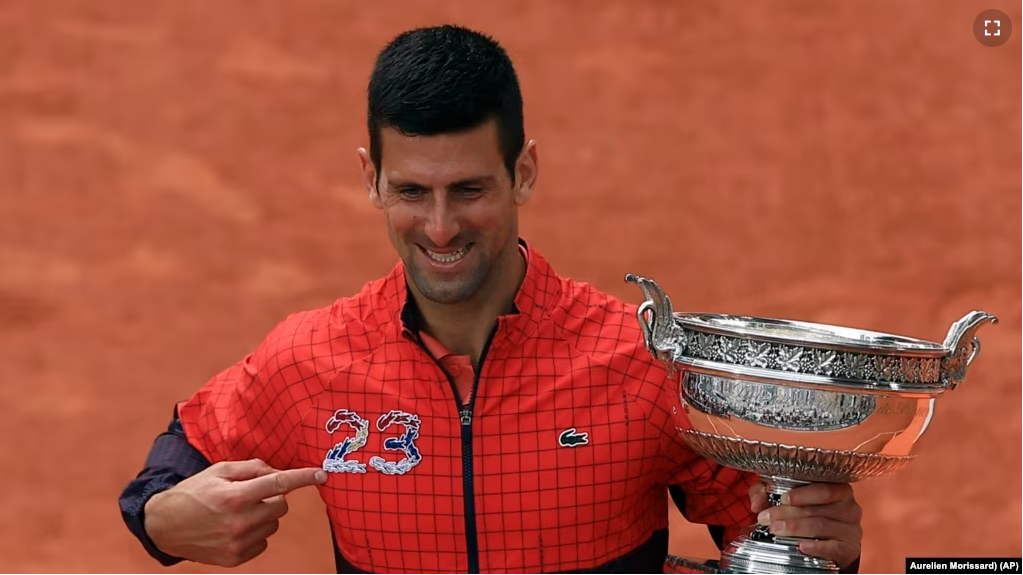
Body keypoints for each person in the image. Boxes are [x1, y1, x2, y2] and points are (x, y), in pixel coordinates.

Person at [118, 24, 863, 574]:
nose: (440, 228)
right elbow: (174, 463)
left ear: (524, 171)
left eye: (469, 189)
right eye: (412, 191)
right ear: (370, 178)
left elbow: (773, 534)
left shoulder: (641, 363)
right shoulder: (309, 361)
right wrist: (162, 519)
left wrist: (820, 541)